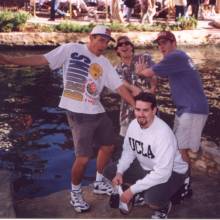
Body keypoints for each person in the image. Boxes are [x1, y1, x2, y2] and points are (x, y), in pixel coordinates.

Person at [0, 25, 135, 213]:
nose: (103, 44)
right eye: (100, 39)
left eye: (106, 41)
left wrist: (136, 106)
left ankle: (98, 181)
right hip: (78, 112)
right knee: (83, 157)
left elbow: (120, 88)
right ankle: (75, 193)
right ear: (91, 37)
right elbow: (42, 59)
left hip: (97, 110)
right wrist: (8, 59)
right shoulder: (71, 49)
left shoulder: (104, 62)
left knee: (109, 145)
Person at [104, 92, 189, 218]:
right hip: (147, 166)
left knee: (152, 199)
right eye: (138, 109)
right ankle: (141, 190)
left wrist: (132, 191)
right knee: (110, 171)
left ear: (154, 110)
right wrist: (120, 172)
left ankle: (164, 205)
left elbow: (163, 173)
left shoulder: (163, 134)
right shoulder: (133, 125)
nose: (141, 114)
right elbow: (128, 152)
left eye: (145, 110)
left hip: (172, 172)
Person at [135, 31, 209, 167]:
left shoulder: (175, 56)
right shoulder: (179, 58)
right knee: (178, 147)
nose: (161, 47)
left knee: (180, 149)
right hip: (187, 109)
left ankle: (185, 183)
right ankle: (185, 177)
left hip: (192, 110)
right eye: (159, 44)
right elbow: (156, 75)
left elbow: (149, 72)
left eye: (164, 43)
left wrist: (140, 71)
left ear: (174, 43)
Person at [115, 35, 157, 137]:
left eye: (127, 43)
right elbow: (119, 86)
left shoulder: (144, 58)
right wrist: (131, 87)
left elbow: (155, 79)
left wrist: (151, 86)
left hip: (148, 111)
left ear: (132, 47)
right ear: (117, 50)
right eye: (120, 45)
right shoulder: (116, 70)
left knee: (150, 142)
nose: (124, 46)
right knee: (128, 145)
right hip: (127, 114)